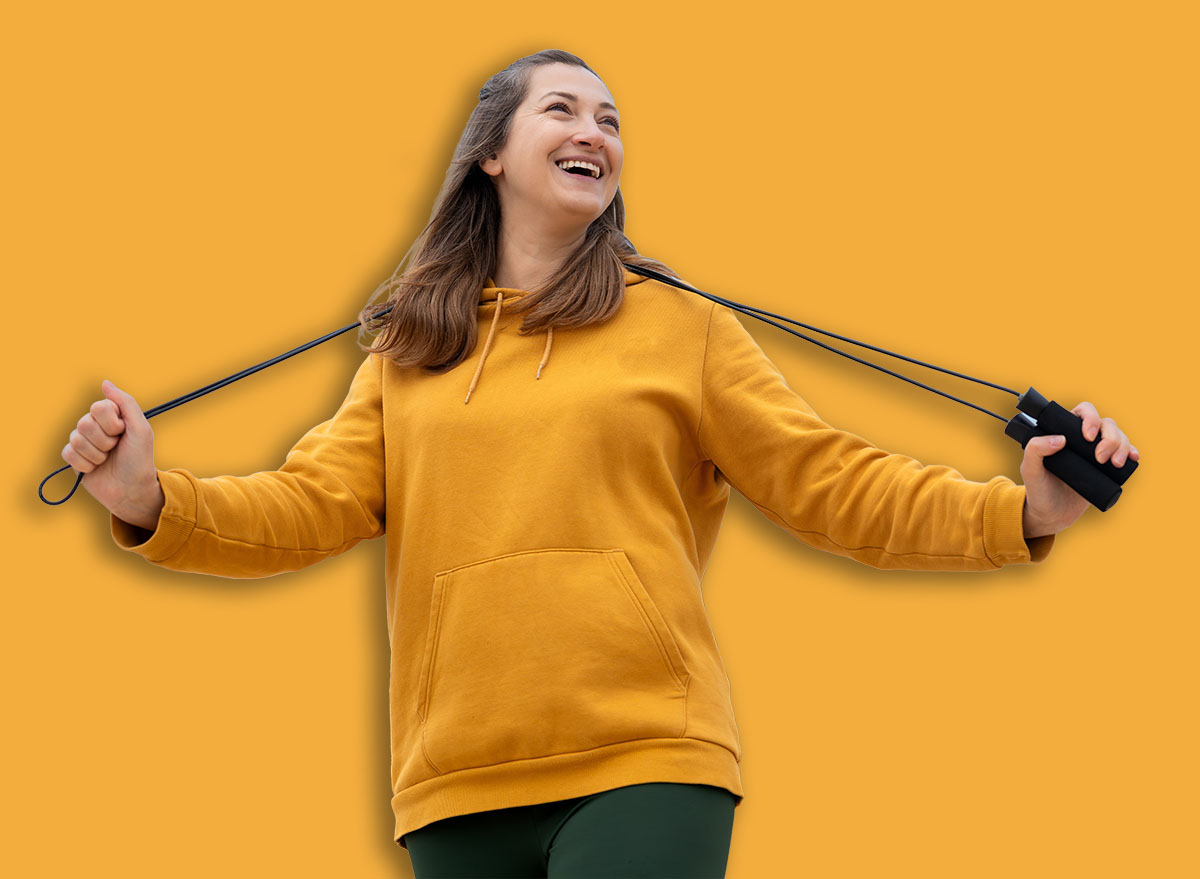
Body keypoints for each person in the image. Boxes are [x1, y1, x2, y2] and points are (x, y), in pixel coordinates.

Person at [60, 50, 1138, 879]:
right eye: (564, 110)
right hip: (453, 784)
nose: (596, 132)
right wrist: (153, 498)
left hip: (646, 760)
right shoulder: (408, 354)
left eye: (612, 120)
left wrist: (1022, 514)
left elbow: (836, 484)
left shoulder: (683, 330)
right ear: (491, 152)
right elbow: (306, 507)